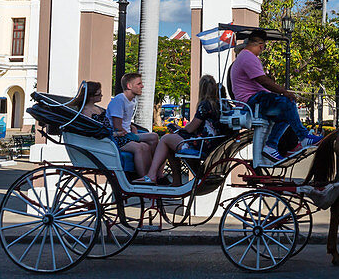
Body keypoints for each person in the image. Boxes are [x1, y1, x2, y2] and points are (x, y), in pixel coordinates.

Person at [229, 29, 320, 162]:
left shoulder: (244, 56)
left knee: (286, 114)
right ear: (261, 45)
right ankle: (303, 137)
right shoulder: (248, 57)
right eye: (262, 48)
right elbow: (263, 81)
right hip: (251, 102)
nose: (261, 51)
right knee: (287, 102)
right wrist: (284, 92)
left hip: (254, 101)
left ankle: (271, 146)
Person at [135, 75, 223, 186]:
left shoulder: (205, 105)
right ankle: (176, 181)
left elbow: (191, 128)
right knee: (170, 144)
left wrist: (180, 129)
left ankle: (151, 175)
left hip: (203, 144)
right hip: (215, 143)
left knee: (166, 139)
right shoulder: (222, 104)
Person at [107, 72, 159, 177]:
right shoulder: (119, 100)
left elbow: (125, 121)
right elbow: (118, 127)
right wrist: (132, 136)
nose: (142, 86)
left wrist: (132, 127)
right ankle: (145, 178)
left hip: (127, 134)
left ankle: (153, 174)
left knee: (153, 138)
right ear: (129, 86)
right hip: (117, 137)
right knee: (141, 147)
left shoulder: (132, 100)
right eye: (139, 84)